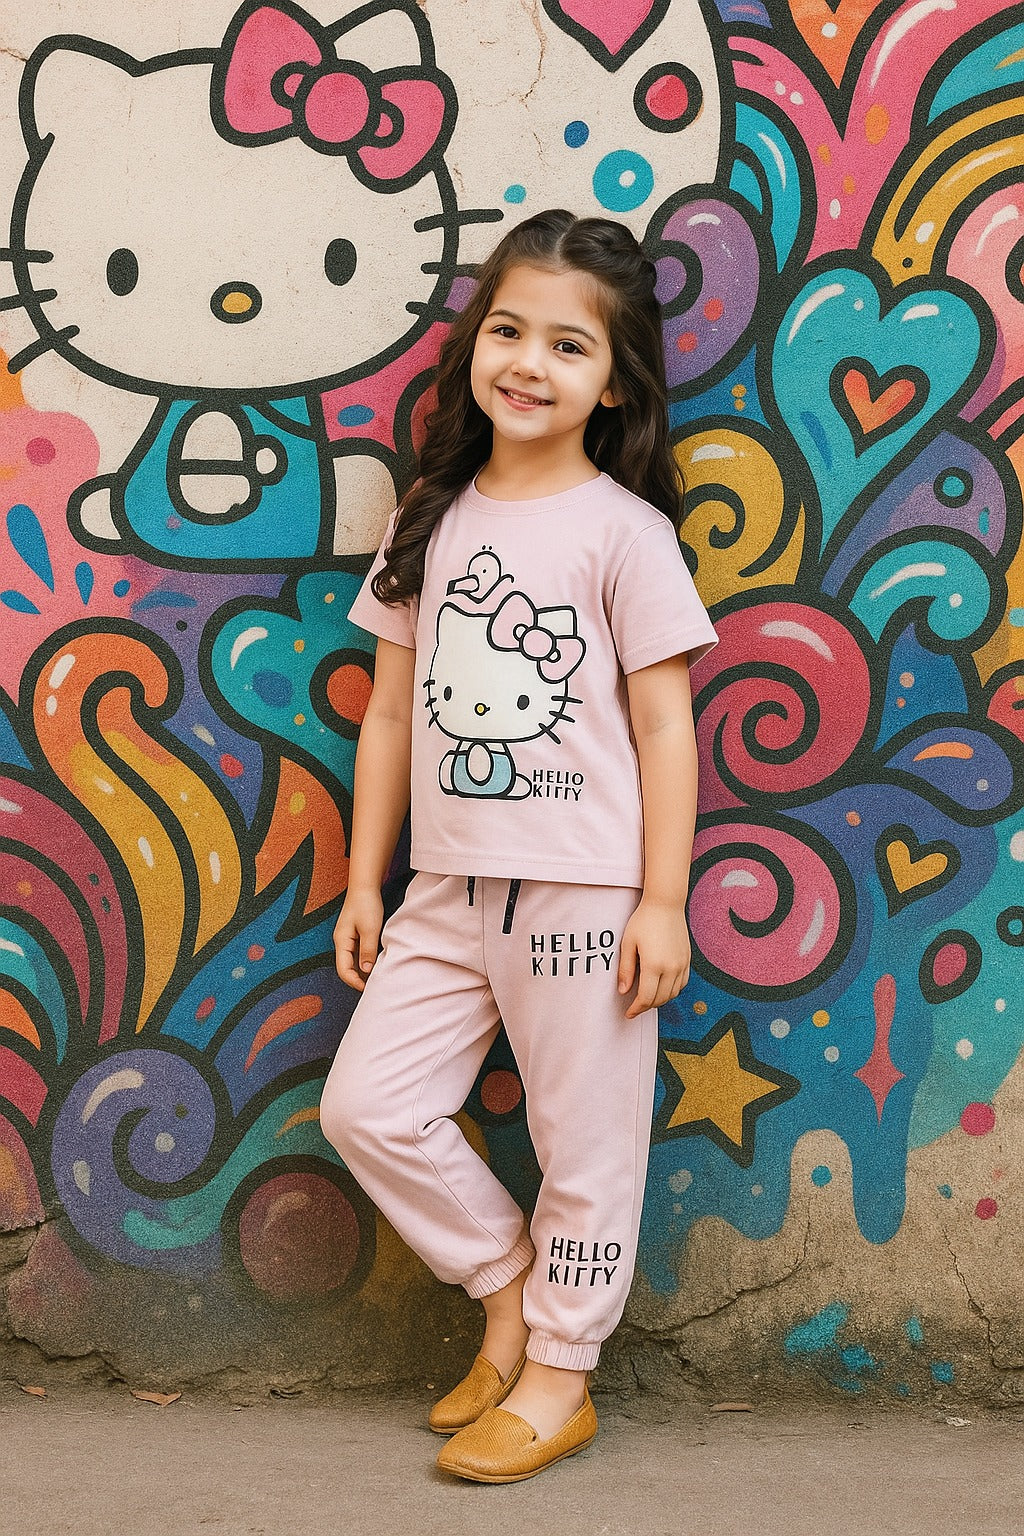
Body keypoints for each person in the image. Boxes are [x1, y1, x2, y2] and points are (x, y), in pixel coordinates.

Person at [319, 208, 717, 1483]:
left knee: (584, 1141)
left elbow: (665, 727)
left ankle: (560, 1376)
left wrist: (663, 899)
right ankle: (506, 1292)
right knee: (368, 1108)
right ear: (474, 346)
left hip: (584, 892)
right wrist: (366, 880)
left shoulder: (623, 534)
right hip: (446, 888)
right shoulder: (429, 519)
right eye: (507, 330)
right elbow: (388, 712)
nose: (528, 364)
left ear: (613, 384)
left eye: (568, 345)